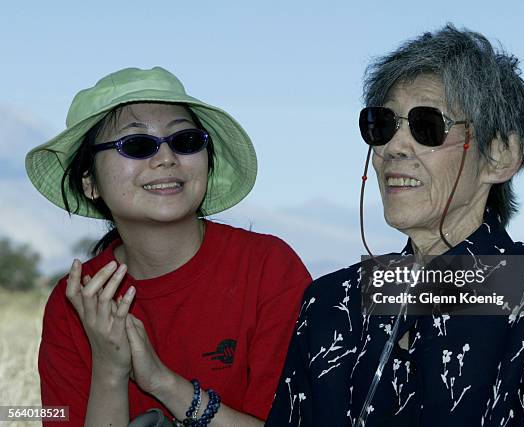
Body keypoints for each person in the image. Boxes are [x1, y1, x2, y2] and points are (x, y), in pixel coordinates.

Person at [266, 25, 524, 426]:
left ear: (500, 156)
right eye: (382, 124)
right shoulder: (332, 301)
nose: (392, 147)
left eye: (427, 125)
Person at [27, 66, 312, 426]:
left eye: (185, 141)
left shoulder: (268, 269)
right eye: (137, 145)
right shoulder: (76, 302)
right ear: (90, 182)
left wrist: (162, 383)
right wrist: (110, 371)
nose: (166, 158)